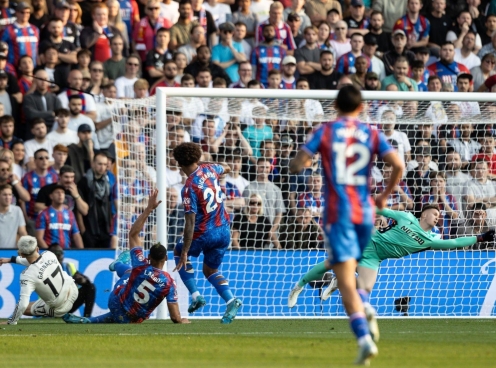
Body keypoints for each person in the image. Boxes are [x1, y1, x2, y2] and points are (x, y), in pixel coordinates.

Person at [288, 85, 403, 365]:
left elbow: (297, 165)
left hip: (338, 214)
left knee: (344, 281)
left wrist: (300, 161)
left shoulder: (326, 131)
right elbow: (398, 164)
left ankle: (364, 338)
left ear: (335, 107)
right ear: (361, 107)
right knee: (350, 274)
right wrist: (384, 196)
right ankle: (365, 306)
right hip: (365, 214)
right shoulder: (372, 132)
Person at [289, 204, 495, 319]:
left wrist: (480, 237)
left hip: (375, 257)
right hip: (367, 242)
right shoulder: (406, 217)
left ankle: (340, 281)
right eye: (434, 213)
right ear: (424, 214)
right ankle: (299, 286)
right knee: (331, 263)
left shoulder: (431, 240)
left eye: (439, 216)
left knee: (365, 287)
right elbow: (383, 210)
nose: (437, 217)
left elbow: (455, 242)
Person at [64, 189, 187, 324]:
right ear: (166, 259)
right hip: (132, 320)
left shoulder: (141, 264)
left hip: (115, 303)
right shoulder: (169, 283)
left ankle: (117, 265)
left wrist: (148, 209)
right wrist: (182, 320)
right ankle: (91, 319)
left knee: (130, 272)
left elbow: (133, 234)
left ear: (149, 257)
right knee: (131, 286)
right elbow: (175, 317)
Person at [172, 142, 242, 324]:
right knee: (210, 269)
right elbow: (225, 167)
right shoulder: (211, 169)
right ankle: (231, 301)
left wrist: (186, 249)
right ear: (198, 157)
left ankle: (196, 296)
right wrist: (204, 165)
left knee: (180, 253)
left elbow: (190, 221)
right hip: (224, 230)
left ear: (179, 164)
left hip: (204, 232)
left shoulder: (188, 187)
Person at [0, 235, 79, 325]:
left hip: (61, 307)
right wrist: (11, 260)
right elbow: (36, 261)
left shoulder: (27, 275)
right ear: (37, 249)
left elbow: (23, 304)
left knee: (22, 309)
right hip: (73, 290)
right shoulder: (49, 254)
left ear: (21, 254)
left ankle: (64, 314)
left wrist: (11, 321)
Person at [47, 243, 95, 317]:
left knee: (90, 287)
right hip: (51, 305)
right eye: (56, 253)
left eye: (61, 253)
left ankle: (87, 317)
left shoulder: (68, 267)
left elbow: (86, 281)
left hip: (67, 303)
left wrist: (83, 280)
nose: (59, 255)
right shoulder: (45, 270)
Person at [36, 185, 83, 249]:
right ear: (51, 196)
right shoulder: (44, 214)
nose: (60, 194)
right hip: (50, 253)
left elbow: (76, 235)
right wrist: (49, 253)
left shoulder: (70, 214)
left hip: (67, 253)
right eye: (57, 192)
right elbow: (39, 238)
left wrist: (82, 252)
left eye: (62, 192)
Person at [0, 2, 39, 68]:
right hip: (13, 67)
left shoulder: (35, 29)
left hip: (32, 68)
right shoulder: (8, 30)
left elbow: (37, 48)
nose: (25, 15)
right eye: (22, 12)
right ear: (16, 13)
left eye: (28, 12)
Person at [0, 184, 27, 249]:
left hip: (11, 251)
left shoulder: (17, 210)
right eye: (5, 195)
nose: (8, 197)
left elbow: (23, 232)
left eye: (10, 194)